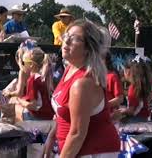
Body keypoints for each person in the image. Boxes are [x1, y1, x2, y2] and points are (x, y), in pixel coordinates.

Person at [44, 19, 120, 158]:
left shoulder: (82, 83)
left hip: (93, 151)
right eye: (66, 36)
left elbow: (77, 133)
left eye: (75, 39)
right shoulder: (70, 69)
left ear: (87, 48)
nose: (66, 41)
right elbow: (63, 114)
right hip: (77, 150)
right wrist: (51, 138)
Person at [11, 47, 54, 121]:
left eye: (24, 63)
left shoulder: (32, 80)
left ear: (31, 65)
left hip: (39, 117)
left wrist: (18, 100)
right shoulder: (42, 76)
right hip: (48, 115)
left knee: (13, 109)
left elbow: (32, 106)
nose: (23, 65)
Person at [119, 56, 152, 122]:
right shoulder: (143, 86)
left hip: (135, 121)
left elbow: (131, 110)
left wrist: (121, 111)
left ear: (128, 72)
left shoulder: (133, 88)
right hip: (144, 119)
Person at [104, 52, 124, 119]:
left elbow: (120, 98)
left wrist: (104, 105)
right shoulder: (94, 76)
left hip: (110, 116)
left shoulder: (112, 76)